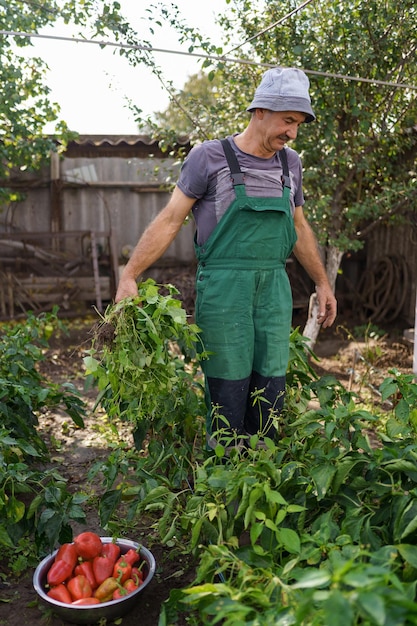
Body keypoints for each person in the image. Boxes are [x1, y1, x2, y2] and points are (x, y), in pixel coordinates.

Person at [115, 66, 337, 453]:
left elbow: (299, 228)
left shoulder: (291, 164)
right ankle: (223, 485)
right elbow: (170, 220)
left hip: (273, 288)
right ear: (260, 112)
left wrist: (322, 282)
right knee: (228, 390)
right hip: (224, 288)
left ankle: (261, 480)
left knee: (270, 389)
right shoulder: (209, 157)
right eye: (287, 121)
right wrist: (130, 274)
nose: (292, 133)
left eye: (299, 124)